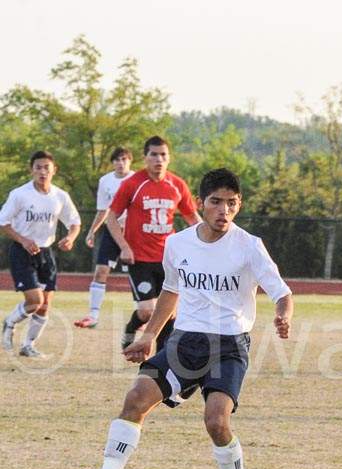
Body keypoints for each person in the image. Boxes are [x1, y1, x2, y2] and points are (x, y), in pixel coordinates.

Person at [67, 168, 294, 469]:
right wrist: (149, 335)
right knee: (136, 398)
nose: (224, 211)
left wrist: (283, 315)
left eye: (231, 204)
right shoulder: (178, 243)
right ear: (201, 204)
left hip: (229, 346)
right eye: (216, 203)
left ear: (239, 205)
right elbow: (171, 291)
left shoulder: (249, 246)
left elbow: (282, 292)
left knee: (216, 421)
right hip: (184, 342)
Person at [104, 135, 199, 350]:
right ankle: (131, 327)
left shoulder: (177, 185)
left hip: (169, 258)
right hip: (139, 258)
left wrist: (212, 238)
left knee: (169, 313)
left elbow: (192, 218)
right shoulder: (133, 184)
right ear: (145, 157)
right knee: (147, 311)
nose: (159, 159)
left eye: (163, 155)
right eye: (154, 154)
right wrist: (124, 247)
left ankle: (160, 359)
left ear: (169, 158)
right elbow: (111, 218)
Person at [1, 151, 82, 358]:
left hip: (45, 253)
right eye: (38, 167)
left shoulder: (60, 196)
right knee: (34, 301)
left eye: (47, 167)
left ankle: (28, 345)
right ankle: (10, 322)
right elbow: (3, 222)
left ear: (54, 170)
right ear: (32, 170)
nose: (42, 171)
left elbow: (74, 222)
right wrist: (24, 240)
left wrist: (71, 238)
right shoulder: (20, 194)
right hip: (22, 252)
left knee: (45, 306)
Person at [74, 147, 134, 329]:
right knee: (100, 271)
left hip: (133, 231)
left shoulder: (137, 179)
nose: (120, 162)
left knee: (139, 273)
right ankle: (93, 315)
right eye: (116, 159)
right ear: (112, 162)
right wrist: (92, 230)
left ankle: (142, 315)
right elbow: (103, 210)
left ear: (130, 161)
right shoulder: (105, 181)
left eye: (124, 159)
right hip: (111, 231)